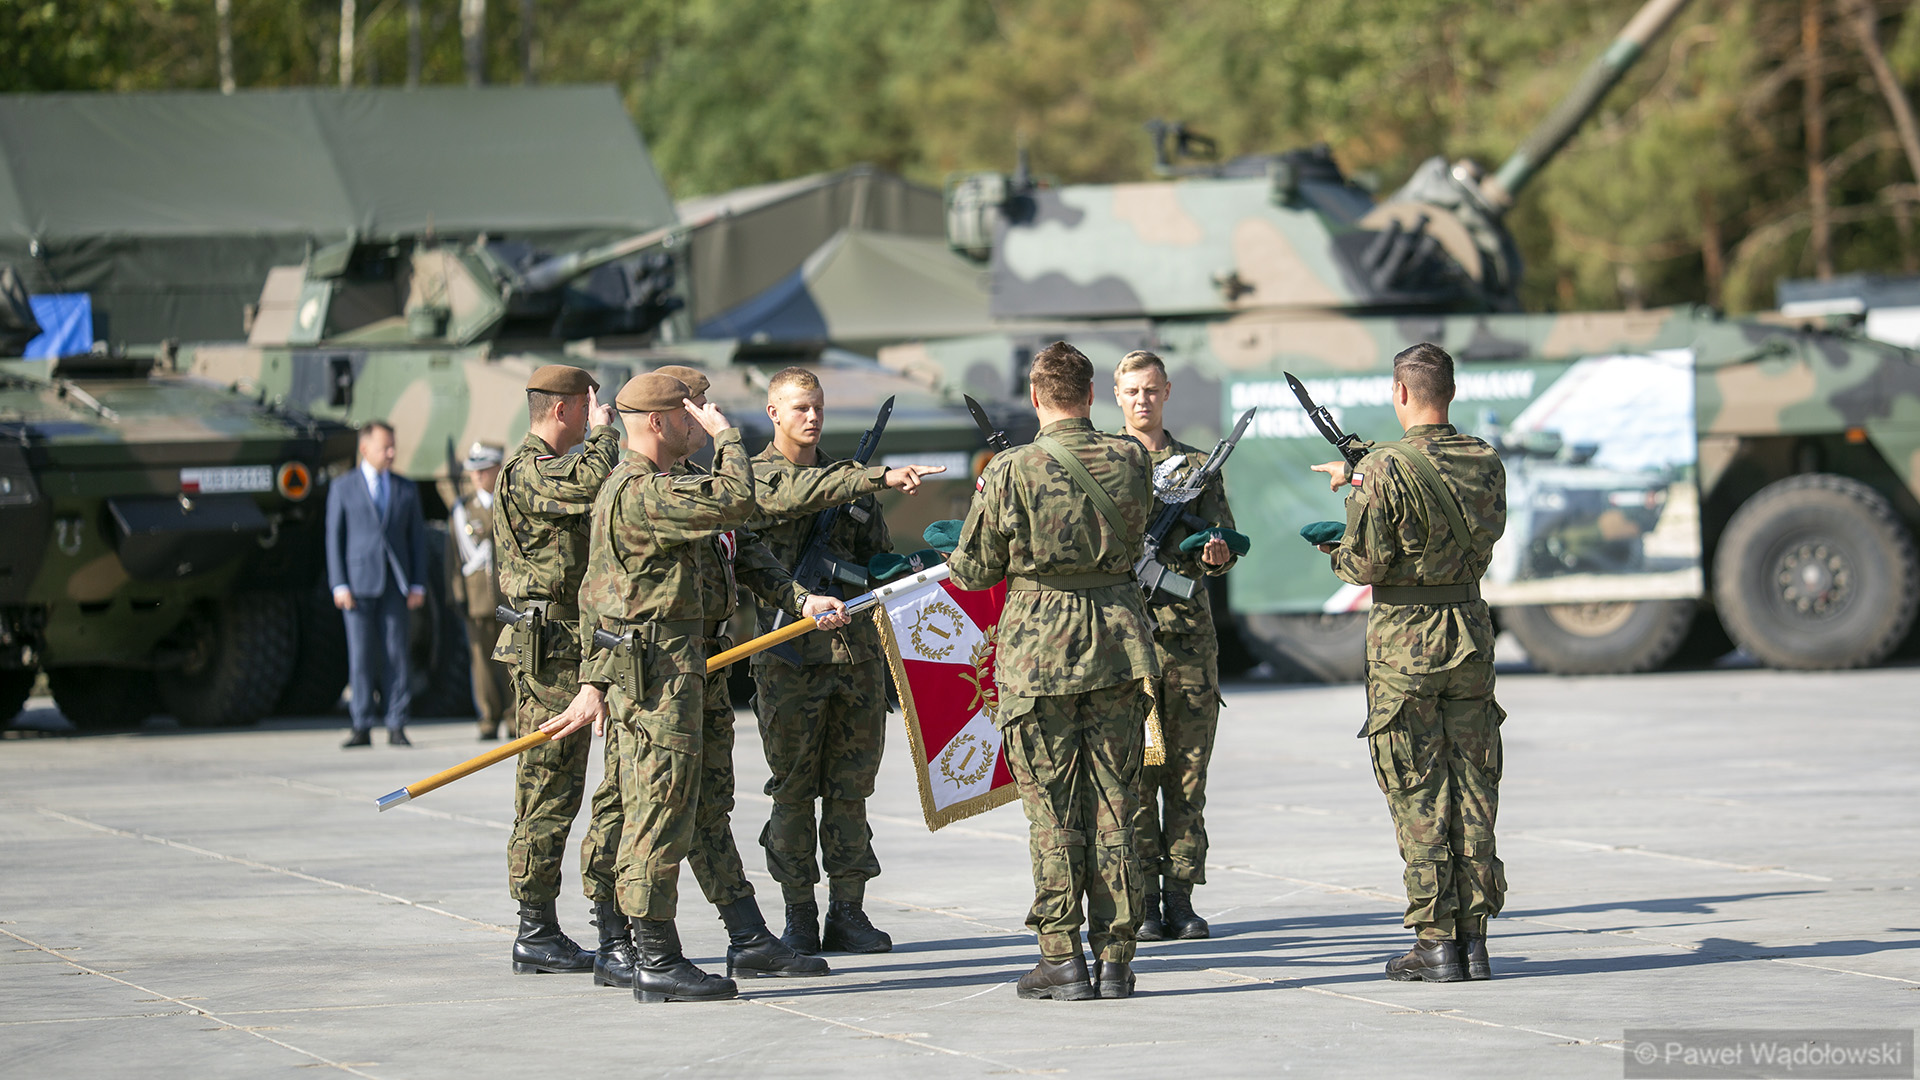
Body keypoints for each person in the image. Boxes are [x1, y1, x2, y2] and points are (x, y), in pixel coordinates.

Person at [550, 373, 848, 1004]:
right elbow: (740, 498)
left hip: (682, 667)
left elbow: (730, 550)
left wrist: (798, 598)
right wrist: (729, 436)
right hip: (660, 677)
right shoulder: (642, 492)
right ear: (659, 421)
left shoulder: (656, 489)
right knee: (658, 812)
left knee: (694, 807)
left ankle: (725, 934)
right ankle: (651, 954)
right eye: (693, 411)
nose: (704, 418)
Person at [947, 341, 1160, 1002]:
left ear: (1037, 399)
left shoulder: (1011, 470)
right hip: (1119, 647)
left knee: (1052, 812)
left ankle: (1062, 957)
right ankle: (1118, 957)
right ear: (1092, 395)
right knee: (1118, 804)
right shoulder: (1132, 458)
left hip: (1038, 657)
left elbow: (975, 570)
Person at [1309, 342, 1508, 983]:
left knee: (1418, 787)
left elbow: (1363, 564)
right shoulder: (1484, 458)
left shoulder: (1386, 467)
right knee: (1474, 785)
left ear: (1401, 393)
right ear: (1448, 391)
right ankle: (1473, 939)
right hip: (1469, 632)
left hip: (1406, 642)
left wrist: (1344, 518)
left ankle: (1435, 941)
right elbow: (1488, 534)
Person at [745, 367, 947, 955]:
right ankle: (799, 915)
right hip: (789, 661)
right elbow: (775, 519)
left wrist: (916, 569)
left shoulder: (849, 482)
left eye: (817, 407)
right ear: (773, 413)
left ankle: (848, 911)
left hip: (854, 658)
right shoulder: (753, 478)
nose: (811, 417)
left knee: (851, 788)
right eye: (798, 408)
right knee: (792, 790)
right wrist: (870, 479)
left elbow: (875, 561)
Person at [491, 365, 622, 980]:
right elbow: (593, 482)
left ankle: (586, 919)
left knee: (575, 789)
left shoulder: (550, 465)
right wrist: (603, 433)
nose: (597, 413)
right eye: (589, 404)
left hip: (575, 643)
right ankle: (534, 929)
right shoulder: (528, 471)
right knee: (548, 787)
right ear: (565, 409)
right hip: (548, 656)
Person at [1111, 351, 1236, 941]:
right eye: (1132, 391)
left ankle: (1180, 897)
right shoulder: (1103, 463)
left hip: (1186, 643)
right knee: (1132, 776)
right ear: (1115, 396)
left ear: (1167, 392)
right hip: (1124, 645)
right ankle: (1138, 900)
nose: (1142, 400)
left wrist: (1214, 553)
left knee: (1186, 776)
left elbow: (1225, 536)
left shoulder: (1195, 467)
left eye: (1151, 389)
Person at [327, 420, 427, 749]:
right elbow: (334, 539)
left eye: (393, 446)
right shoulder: (343, 487)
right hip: (357, 586)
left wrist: (417, 584)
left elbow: (417, 541)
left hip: (395, 586)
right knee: (361, 657)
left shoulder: (405, 488)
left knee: (397, 655)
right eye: (385, 447)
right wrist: (339, 584)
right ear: (365, 448)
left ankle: (397, 723)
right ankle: (362, 724)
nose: (392, 453)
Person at [449, 441, 511, 741]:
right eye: (473, 471)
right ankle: (488, 717)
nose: (476, 476)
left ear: (497, 469)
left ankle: (514, 717)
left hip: (508, 598)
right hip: (477, 600)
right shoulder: (462, 510)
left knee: (512, 661)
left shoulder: (509, 503)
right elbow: (453, 557)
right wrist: (456, 595)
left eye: (483, 470)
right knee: (481, 663)